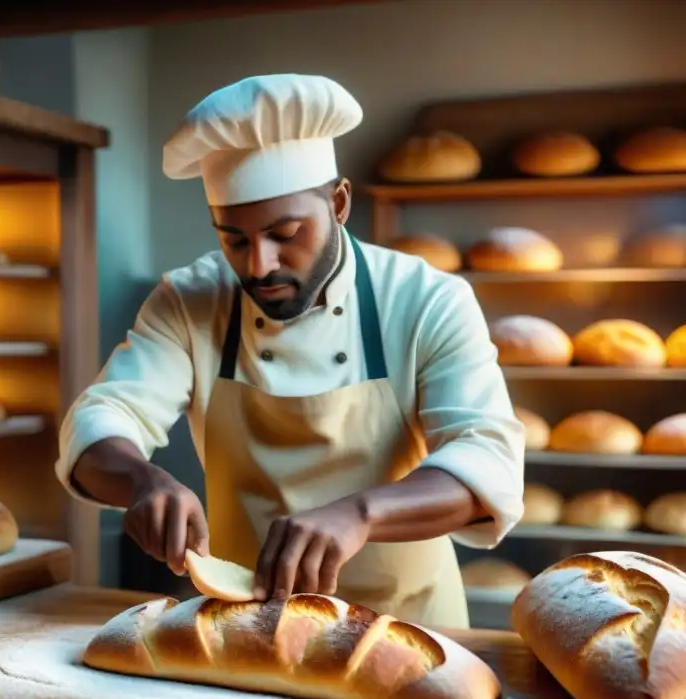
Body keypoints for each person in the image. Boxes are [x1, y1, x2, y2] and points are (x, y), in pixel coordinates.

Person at [55, 73, 524, 628]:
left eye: (286, 234)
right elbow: (102, 417)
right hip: (248, 622)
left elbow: (486, 458)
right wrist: (142, 481)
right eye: (235, 239)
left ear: (340, 203)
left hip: (407, 625)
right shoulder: (188, 300)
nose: (259, 265)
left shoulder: (427, 300)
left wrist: (360, 513)